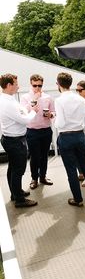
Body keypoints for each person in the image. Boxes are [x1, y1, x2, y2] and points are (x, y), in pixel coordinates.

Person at [54, 72, 85, 207]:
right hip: (80, 135)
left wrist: (54, 120)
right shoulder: (81, 99)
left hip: (66, 137)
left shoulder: (59, 100)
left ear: (58, 84)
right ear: (70, 84)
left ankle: (78, 199)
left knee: (71, 170)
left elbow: (61, 123)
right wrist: (81, 134)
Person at [0, 73, 38, 208]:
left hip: (10, 138)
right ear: (9, 85)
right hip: (15, 140)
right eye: (16, 84)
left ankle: (15, 193)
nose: (18, 86)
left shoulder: (8, 99)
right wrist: (33, 111)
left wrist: (27, 111)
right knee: (18, 170)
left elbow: (21, 112)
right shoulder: (7, 102)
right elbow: (25, 119)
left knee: (12, 168)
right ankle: (19, 200)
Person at [20, 74, 55, 190]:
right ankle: (34, 178)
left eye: (40, 85)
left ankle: (43, 177)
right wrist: (34, 99)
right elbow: (24, 112)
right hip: (32, 130)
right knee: (34, 156)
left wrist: (50, 114)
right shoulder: (25, 97)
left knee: (44, 155)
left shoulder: (48, 97)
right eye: (35, 85)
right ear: (31, 84)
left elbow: (54, 112)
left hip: (46, 130)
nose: (37, 88)